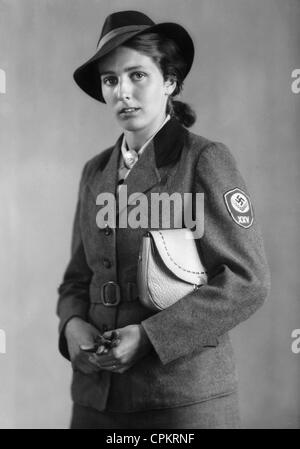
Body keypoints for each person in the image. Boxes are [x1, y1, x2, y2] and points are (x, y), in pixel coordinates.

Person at [56, 10, 270, 429]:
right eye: (111, 80)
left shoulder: (204, 160)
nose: (123, 93)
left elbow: (248, 281)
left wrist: (151, 337)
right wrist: (71, 324)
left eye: (138, 75)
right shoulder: (95, 173)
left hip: (181, 398)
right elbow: (76, 280)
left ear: (169, 81)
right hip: (97, 400)